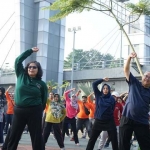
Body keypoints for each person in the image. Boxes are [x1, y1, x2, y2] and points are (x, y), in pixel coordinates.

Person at [7, 47, 48, 150]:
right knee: (13, 135)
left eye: (34, 67)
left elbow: (44, 99)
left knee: (36, 136)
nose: (31, 68)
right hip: (19, 110)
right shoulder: (21, 75)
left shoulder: (41, 84)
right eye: (29, 67)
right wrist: (30, 51)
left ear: (38, 70)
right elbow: (18, 60)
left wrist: (38, 109)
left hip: (35, 111)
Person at [119, 52, 150, 150]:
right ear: (142, 76)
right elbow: (126, 70)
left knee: (146, 146)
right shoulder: (134, 83)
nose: (147, 78)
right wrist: (129, 58)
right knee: (123, 145)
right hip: (127, 118)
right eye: (146, 76)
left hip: (142, 121)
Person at [86, 77, 118, 150]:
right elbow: (94, 84)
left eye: (107, 89)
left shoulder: (112, 99)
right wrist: (102, 79)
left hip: (109, 121)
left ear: (109, 90)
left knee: (114, 140)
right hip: (99, 121)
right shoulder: (98, 95)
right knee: (92, 139)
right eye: (104, 88)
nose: (105, 90)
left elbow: (112, 109)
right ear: (102, 89)